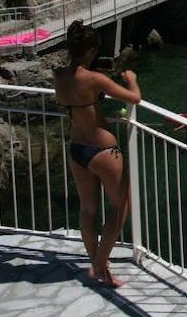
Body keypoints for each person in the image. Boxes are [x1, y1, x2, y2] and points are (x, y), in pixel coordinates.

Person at [53, 20, 141, 288]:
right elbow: (134, 98)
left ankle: (97, 265)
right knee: (120, 206)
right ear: (90, 51)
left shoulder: (59, 76)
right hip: (103, 150)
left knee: (88, 209)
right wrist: (131, 80)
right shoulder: (95, 79)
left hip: (77, 148)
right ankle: (101, 264)